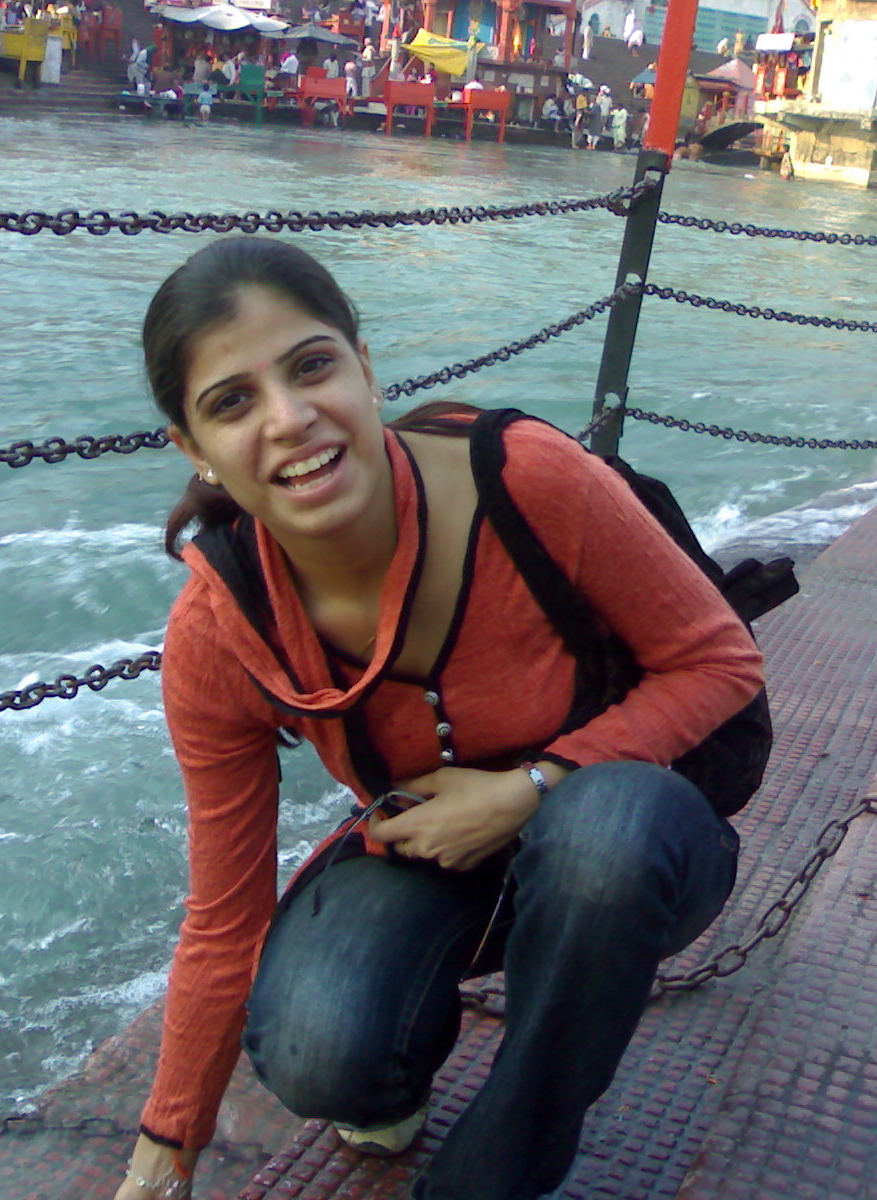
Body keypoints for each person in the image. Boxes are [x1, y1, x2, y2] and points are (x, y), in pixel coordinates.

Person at [112, 237, 763, 1200]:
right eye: (233, 402)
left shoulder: (523, 479)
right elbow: (224, 914)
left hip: (632, 847)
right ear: (194, 449)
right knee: (315, 1046)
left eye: (312, 367)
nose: (289, 419)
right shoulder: (221, 631)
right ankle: (395, 1073)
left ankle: (501, 1166)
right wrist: (165, 1153)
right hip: (436, 860)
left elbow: (719, 659)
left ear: (365, 368)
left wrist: (530, 787)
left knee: (606, 838)